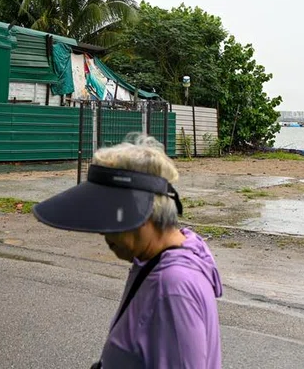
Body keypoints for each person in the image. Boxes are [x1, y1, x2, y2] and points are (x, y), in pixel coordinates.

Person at [33, 134, 223, 368]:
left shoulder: (172, 287)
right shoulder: (165, 255)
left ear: (145, 213)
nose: (103, 233)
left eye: (112, 218)